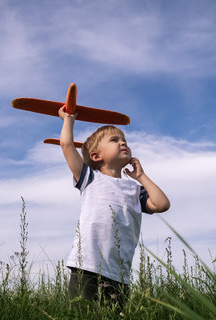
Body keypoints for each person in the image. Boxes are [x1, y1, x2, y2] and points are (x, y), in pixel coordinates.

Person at [58, 106, 170, 307]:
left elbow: (161, 204)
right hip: (87, 267)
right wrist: (68, 119)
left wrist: (141, 176)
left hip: (119, 273)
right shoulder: (90, 179)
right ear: (95, 156)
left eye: (124, 140)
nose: (122, 142)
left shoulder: (136, 190)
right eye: (114, 140)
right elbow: (66, 145)